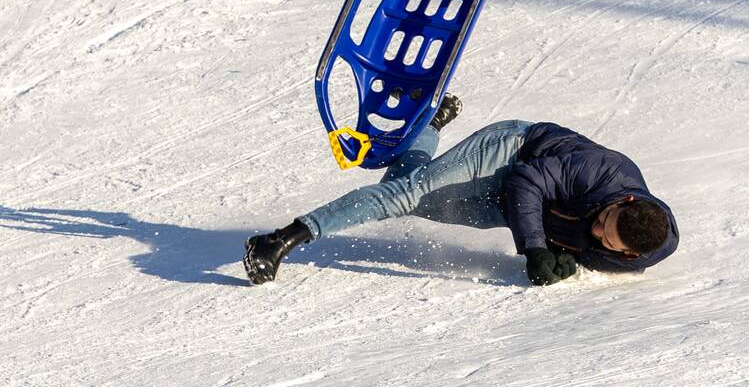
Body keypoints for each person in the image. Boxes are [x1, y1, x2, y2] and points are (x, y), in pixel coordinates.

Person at [243, 95, 679, 286]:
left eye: (607, 240)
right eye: (604, 219)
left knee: (403, 195)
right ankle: (280, 240)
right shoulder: (603, 172)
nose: (598, 230)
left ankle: (428, 126)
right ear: (625, 200)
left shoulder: (636, 253)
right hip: (511, 151)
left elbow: (585, 252)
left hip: (516, 207)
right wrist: (535, 249)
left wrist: (564, 260)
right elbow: (527, 181)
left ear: (627, 254)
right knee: (403, 196)